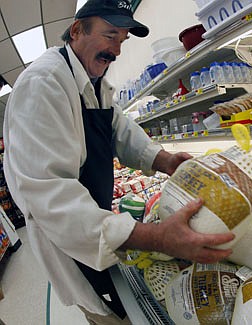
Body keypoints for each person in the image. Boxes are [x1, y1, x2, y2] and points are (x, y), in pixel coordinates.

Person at [2, 0, 234, 323]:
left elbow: (119, 129)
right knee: (107, 314)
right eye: (111, 35)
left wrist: (166, 160)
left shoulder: (92, 79)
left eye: (122, 40)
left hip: (94, 219)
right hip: (71, 240)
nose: (117, 51)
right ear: (77, 30)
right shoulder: (43, 84)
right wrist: (156, 237)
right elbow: (51, 198)